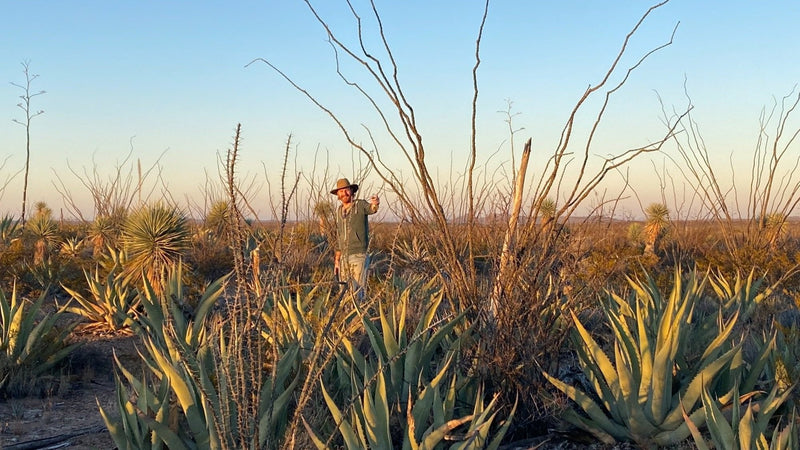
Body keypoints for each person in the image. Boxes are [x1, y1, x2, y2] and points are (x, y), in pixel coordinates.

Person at [330, 178, 379, 297]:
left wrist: (375, 203)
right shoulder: (339, 211)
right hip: (343, 257)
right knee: (344, 292)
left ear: (351, 191)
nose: (344, 193)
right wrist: (337, 260)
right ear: (338, 194)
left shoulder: (360, 205)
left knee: (358, 292)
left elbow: (372, 209)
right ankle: (347, 313)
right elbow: (339, 234)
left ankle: (360, 314)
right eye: (341, 191)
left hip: (359, 255)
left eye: (346, 190)